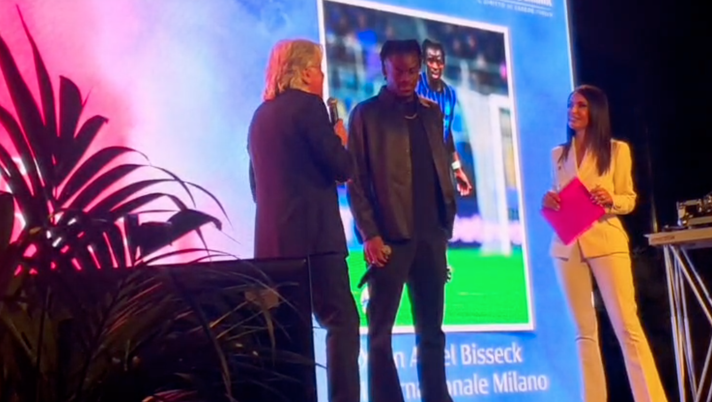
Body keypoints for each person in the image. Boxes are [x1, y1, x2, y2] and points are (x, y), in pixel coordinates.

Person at [247, 39, 360, 402]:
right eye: (320, 70)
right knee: (342, 322)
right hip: (316, 243)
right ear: (307, 72)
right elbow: (342, 168)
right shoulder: (310, 108)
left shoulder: (260, 116)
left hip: (272, 251)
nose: (323, 78)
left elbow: (256, 186)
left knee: (288, 335)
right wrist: (340, 140)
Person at [542, 85, 667, 402]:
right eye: (570, 105)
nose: (573, 111)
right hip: (567, 246)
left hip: (606, 240)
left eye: (581, 105)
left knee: (627, 326)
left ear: (595, 111)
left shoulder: (616, 151)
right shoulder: (558, 154)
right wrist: (550, 201)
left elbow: (629, 198)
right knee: (584, 333)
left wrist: (611, 199)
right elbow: (558, 195)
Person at [347, 39, 457, 402]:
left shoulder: (432, 112)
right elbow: (355, 180)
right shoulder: (366, 114)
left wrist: (444, 226)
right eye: (399, 71)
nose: (407, 78)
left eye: (413, 70)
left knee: (432, 332)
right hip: (389, 240)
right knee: (380, 334)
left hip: (431, 236)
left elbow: (441, 167)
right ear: (384, 70)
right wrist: (370, 233)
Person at [416, 39, 473, 197]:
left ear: (444, 64)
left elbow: (446, 134)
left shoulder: (450, 95)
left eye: (439, 61)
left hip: (437, 167)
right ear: (424, 62)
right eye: (431, 60)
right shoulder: (414, 85)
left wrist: (457, 169)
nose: (435, 66)